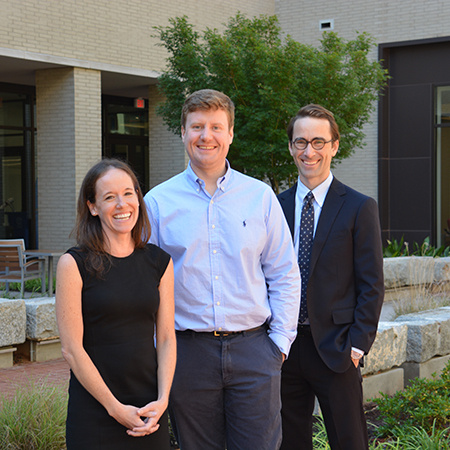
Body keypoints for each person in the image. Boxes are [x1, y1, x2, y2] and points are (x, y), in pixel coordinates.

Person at [144, 89, 300, 450]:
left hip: (255, 350)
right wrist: (159, 348)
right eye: (197, 126)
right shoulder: (158, 203)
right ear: (183, 132)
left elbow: (284, 273)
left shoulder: (260, 197)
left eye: (216, 126)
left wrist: (278, 344)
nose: (206, 136)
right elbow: (146, 284)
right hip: (188, 354)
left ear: (230, 133)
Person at [278, 104, 385, 450]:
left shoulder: (358, 206)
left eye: (319, 142)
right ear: (291, 147)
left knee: (348, 440)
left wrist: (357, 345)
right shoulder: (274, 206)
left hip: (337, 348)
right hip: (284, 346)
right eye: (301, 142)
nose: (309, 151)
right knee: (289, 441)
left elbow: (372, 283)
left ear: (334, 146)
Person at [56, 159, 176, 449]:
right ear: (93, 207)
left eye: (128, 193)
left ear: (138, 197)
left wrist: (163, 400)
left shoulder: (159, 262)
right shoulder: (73, 264)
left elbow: (167, 337)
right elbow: (72, 349)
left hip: (150, 411)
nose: (122, 204)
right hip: (95, 411)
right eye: (109, 197)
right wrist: (114, 408)